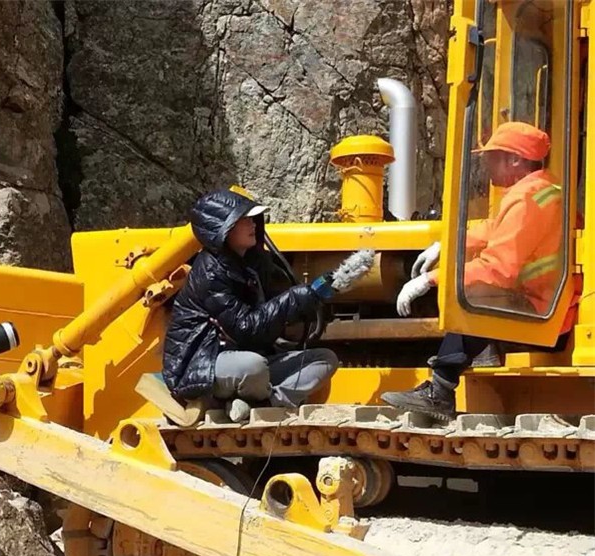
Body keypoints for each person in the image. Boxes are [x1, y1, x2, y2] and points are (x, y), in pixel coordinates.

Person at [383, 122, 563, 417]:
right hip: (546, 300)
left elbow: (499, 269)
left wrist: (431, 279)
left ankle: (440, 389)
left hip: (540, 307)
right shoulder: (542, 189)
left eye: (492, 157)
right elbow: (496, 228)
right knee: (480, 288)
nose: (486, 164)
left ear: (515, 159)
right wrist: (448, 244)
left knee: (473, 295)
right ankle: (481, 353)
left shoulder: (527, 198)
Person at [163, 188, 340, 423]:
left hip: (252, 358)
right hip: (205, 362)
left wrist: (310, 299)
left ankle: (265, 403)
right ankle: (233, 401)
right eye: (244, 219)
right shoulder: (209, 273)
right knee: (254, 367)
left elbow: (275, 310)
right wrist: (295, 299)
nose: (253, 224)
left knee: (325, 359)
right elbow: (246, 328)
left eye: (253, 218)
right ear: (223, 228)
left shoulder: (254, 264)